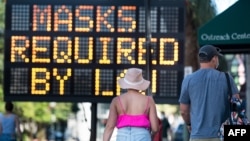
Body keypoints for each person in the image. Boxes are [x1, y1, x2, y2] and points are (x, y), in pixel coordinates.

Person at [178, 45, 240, 141]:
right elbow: (236, 103)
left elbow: (183, 111)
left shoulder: (188, 80)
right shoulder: (226, 78)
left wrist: (189, 124)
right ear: (214, 59)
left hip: (197, 135)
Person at [103, 68, 159, 141]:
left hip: (122, 136)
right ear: (140, 84)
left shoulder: (116, 101)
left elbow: (110, 126)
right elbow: (155, 128)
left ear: (126, 83)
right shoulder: (149, 100)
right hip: (143, 135)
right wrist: (150, 136)